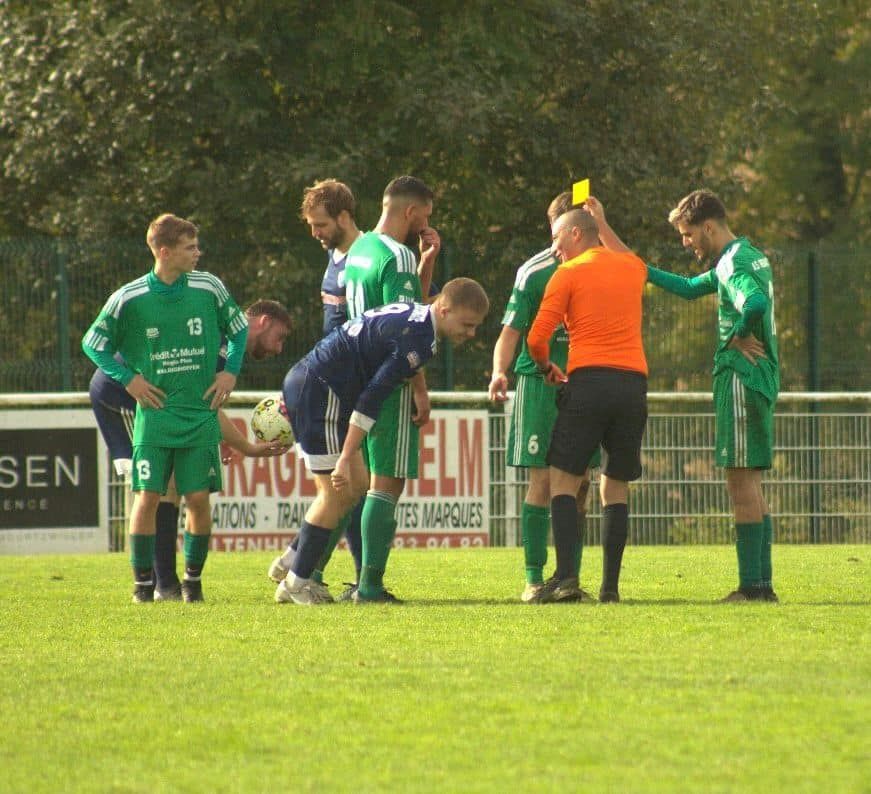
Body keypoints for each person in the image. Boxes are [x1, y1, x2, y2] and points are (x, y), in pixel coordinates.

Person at [275, 278, 489, 605]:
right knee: (336, 492)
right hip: (321, 390)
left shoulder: (416, 316)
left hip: (313, 381)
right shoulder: (419, 339)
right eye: (467, 325)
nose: (471, 333)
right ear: (444, 310)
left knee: (357, 484)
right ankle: (297, 582)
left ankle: (291, 559)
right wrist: (346, 454)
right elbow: (372, 397)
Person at [612, 190, 779, 602]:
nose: (685, 242)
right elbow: (688, 288)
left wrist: (739, 334)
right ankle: (762, 584)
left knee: (739, 483)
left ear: (708, 226)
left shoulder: (734, 263)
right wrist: (637, 266)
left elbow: (754, 302)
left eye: (687, 234)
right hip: (758, 379)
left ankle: (752, 587)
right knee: (751, 482)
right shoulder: (746, 254)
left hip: (741, 380)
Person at [82, 213, 249, 603]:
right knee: (147, 498)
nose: (198, 253)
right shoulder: (131, 297)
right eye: (190, 247)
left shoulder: (209, 286)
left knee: (198, 500)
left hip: (199, 415)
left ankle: (192, 582)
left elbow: (239, 328)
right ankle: (143, 586)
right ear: (164, 251)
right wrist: (128, 379)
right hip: (155, 418)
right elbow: (93, 342)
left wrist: (230, 374)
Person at [89, 299, 293, 600]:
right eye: (280, 337)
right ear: (263, 321)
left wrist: (230, 440)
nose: (279, 349)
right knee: (152, 490)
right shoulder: (219, 334)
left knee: (169, 487)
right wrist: (247, 447)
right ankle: (155, 586)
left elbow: (200, 402)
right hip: (122, 395)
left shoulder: (225, 341)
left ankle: (166, 585)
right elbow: (204, 402)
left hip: (157, 401)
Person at [526, 207, 649, 604]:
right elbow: (630, 257)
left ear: (577, 234)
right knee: (615, 485)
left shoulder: (569, 274)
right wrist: (604, 221)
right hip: (633, 386)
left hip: (588, 382)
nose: (554, 248)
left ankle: (564, 578)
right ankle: (610, 588)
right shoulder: (632, 268)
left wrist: (547, 367)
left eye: (557, 239)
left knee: (563, 479)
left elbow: (536, 338)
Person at [488, 191, 600, 603]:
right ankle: (534, 579)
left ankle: (568, 578)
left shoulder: (599, 266)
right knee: (542, 479)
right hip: (539, 385)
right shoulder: (534, 272)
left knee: (581, 484)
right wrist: (500, 371)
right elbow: (510, 333)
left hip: (585, 385)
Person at [340, 175, 441, 602]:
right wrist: (419, 387)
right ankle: (370, 585)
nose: (426, 224)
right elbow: (409, 329)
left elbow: (398, 309)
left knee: (361, 484)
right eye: (426, 216)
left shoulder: (358, 250)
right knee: (388, 481)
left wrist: (429, 262)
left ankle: (344, 576)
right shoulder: (398, 256)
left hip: (355, 371)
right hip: (390, 379)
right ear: (411, 212)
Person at [266, 180, 366, 595]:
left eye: (320, 223)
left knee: (354, 486)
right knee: (344, 488)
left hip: (343, 380)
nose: (315, 233)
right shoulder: (335, 254)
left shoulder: (366, 255)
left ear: (344, 216)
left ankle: (299, 561)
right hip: (330, 383)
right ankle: (299, 576)